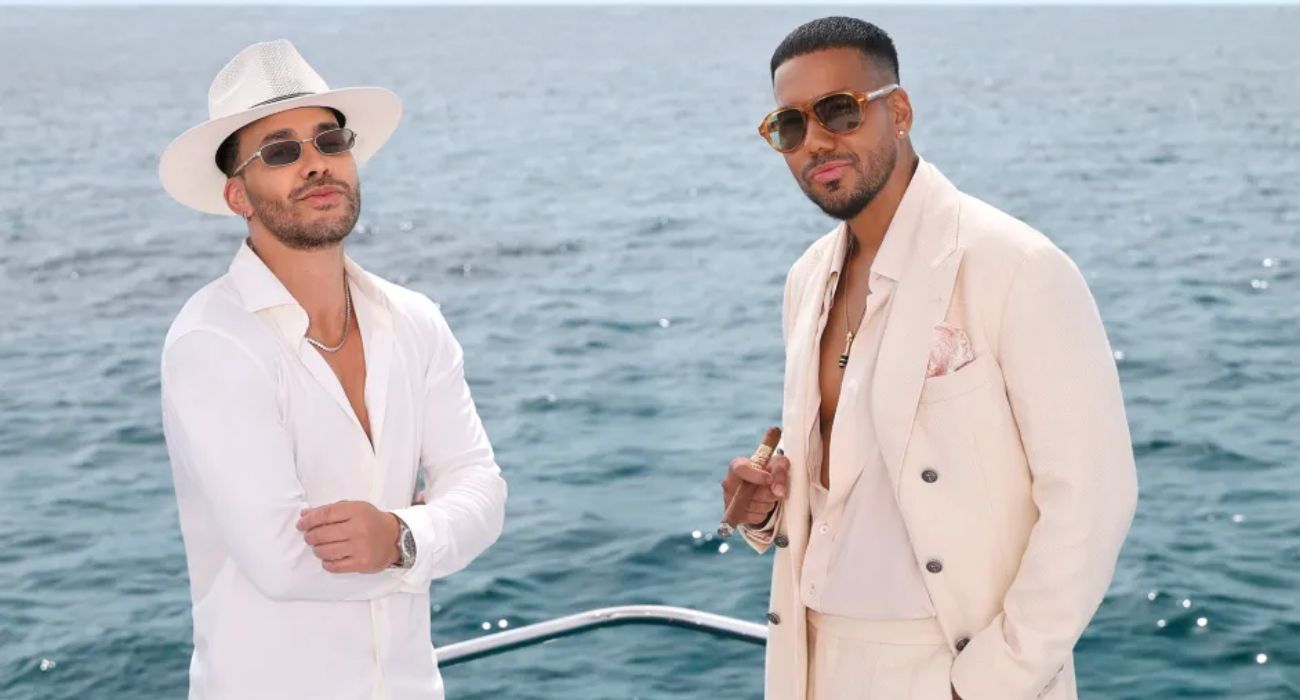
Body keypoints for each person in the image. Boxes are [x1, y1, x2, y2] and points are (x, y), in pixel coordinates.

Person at [720, 17, 1138, 700]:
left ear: (900, 111)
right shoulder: (807, 279)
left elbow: (1093, 501)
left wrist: (992, 681)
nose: (816, 141)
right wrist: (768, 506)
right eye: (790, 126)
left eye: (839, 111)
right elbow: (850, 481)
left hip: (953, 666)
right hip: (810, 662)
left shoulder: (1015, 266)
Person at [158, 40, 507, 699]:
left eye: (329, 140)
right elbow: (281, 561)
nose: (315, 162)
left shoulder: (415, 321)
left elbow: (483, 491)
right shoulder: (212, 342)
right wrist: (428, 534)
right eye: (280, 152)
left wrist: (399, 536)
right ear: (237, 196)